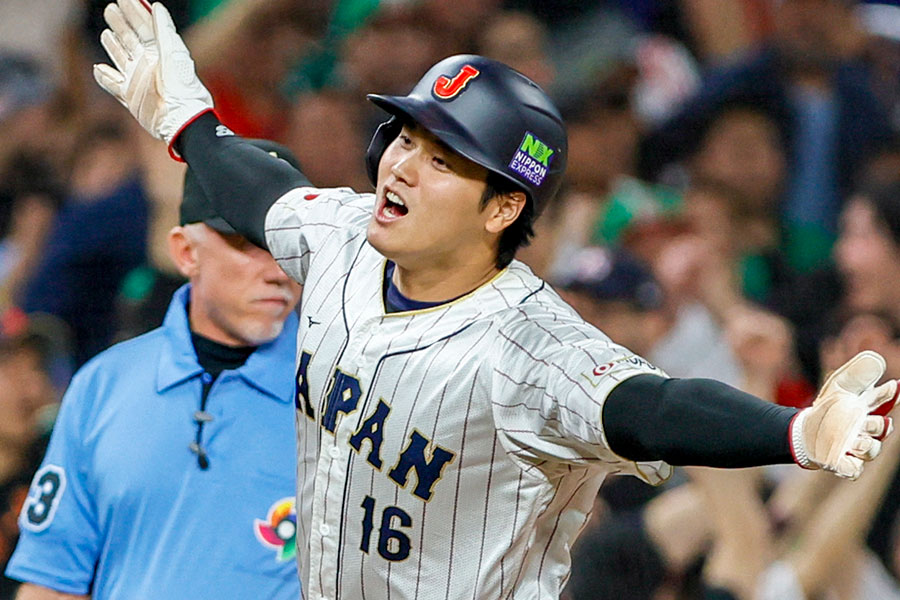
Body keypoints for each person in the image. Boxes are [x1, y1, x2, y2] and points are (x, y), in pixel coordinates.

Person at [92, 2, 898, 597]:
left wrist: (794, 431)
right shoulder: (344, 239)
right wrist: (188, 120)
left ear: (503, 207)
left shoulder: (530, 347)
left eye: (442, 159)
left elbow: (653, 407)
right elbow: (262, 191)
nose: (402, 165)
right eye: (405, 137)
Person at [3, 138, 304, 599]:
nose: (277, 270)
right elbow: (52, 582)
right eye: (249, 242)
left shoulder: (343, 394)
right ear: (186, 252)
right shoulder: (104, 384)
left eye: (288, 246)